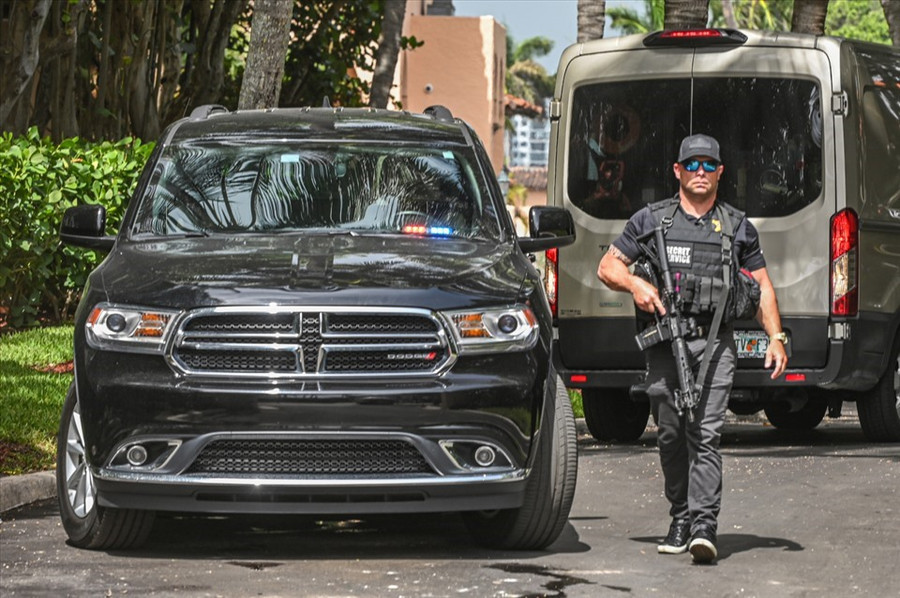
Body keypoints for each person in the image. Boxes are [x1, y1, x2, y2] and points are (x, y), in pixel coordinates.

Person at [596, 134, 788, 564]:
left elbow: (762, 288)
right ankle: (680, 514)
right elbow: (607, 266)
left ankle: (703, 525)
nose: (700, 172)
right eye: (692, 164)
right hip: (666, 343)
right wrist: (635, 284)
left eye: (708, 165)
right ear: (678, 171)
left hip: (715, 344)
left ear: (720, 172)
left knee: (705, 433)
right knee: (669, 434)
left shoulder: (737, 226)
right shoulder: (651, 221)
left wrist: (776, 337)